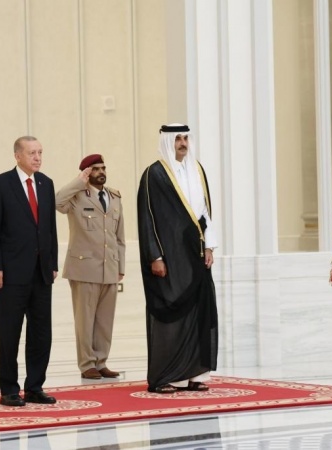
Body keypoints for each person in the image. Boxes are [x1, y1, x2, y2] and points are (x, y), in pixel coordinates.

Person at [136, 123, 218, 394]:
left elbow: (205, 214)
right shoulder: (154, 174)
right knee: (170, 313)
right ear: (167, 141)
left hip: (195, 254)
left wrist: (209, 246)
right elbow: (147, 219)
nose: (182, 143)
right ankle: (165, 376)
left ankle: (195, 373)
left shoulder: (197, 169)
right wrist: (155, 256)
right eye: (177, 139)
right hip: (169, 256)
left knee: (198, 311)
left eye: (185, 138)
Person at [0, 136, 59, 407]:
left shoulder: (46, 184)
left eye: (40, 152)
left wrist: (52, 263)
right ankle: (9, 389)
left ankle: (35, 387)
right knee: (9, 333)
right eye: (32, 153)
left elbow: (50, 228)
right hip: (11, 273)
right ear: (18, 156)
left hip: (41, 273)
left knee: (41, 333)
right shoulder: (0, 184)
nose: (37, 158)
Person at [55, 154, 126, 380]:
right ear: (86, 173)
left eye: (103, 168)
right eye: (95, 169)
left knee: (105, 321)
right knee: (85, 320)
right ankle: (87, 364)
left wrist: (120, 266)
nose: (101, 172)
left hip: (109, 268)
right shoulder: (76, 196)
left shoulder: (114, 197)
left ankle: (101, 361)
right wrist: (79, 181)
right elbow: (57, 202)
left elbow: (119, 237)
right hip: (84, 269)